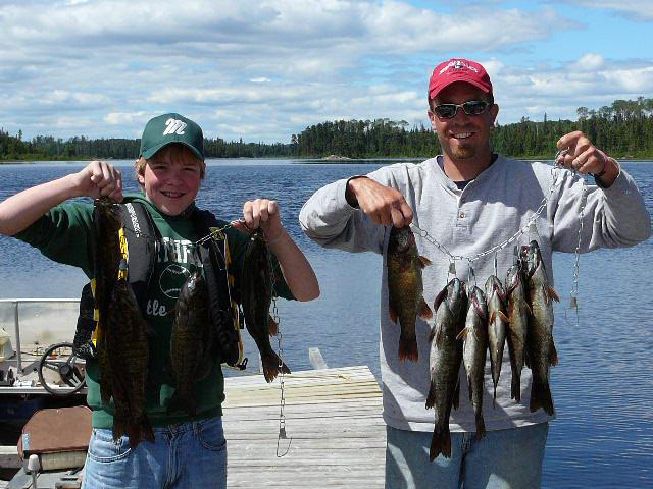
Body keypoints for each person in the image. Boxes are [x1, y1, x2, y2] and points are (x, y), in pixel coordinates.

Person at [299, 58, 650, 489]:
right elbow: (314, 224)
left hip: (515, 414)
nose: (460, 119)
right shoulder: (398, 184)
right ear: (431, 117)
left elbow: (631, 229)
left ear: (493, 113)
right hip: (418, 411)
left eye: (474, 106)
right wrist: (352, 187)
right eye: (447, 109)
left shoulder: (544, 185)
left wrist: (608, 173)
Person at [0, 112, 319, 489]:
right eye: (160, 167)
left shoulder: (221, 237)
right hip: (122, 436)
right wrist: (73, 184)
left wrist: (276, 234)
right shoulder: (108, 223)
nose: (174, 179)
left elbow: (307, 290)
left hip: (201, 433)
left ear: (202, 174)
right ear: (140, 172)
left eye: (188, 169)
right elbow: (6, 219)